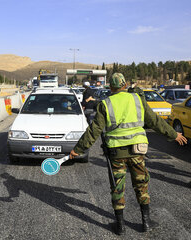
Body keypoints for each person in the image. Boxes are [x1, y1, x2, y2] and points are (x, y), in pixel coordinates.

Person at [69, 73, 187, 235]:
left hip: (116, 153)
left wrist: (78, 149)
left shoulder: (106, 103)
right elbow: (155, 121)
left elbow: (94, 130)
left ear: (110, 87)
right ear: (125, 85)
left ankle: (120, 226)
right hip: (137, 151)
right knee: (141, 184)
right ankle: (146, 222)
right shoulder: (137, 99)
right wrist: (174, 134)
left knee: (117, 188)